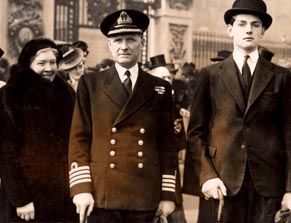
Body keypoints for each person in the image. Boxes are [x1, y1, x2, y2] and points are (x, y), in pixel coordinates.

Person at [182, 0, 291, 223]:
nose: (248, 29)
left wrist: (290, 189)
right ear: (230, 30)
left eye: (255, 24)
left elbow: (290, 136)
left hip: (268, 187)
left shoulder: (282, 77)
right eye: (241, 24)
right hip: (220, 183)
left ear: (263, 31)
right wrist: (207, 176)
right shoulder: (210, 75)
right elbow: (195, 133)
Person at [68, 9, 178, 223]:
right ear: (110, 45)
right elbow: (78, 139)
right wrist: (81, 188)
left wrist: (167, 195)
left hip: (144, 193)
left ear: (142, 43)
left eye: (131, 39)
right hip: (102, 193)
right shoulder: (91, 84)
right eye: (117, 40)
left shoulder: (159, 87)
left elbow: (167, 145)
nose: (124, 46)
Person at [0, 37, 78, 222]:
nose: (49, 68)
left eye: (53, 62)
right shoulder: (11, 94)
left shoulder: (66, 93)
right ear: (28, 64)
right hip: (26, 198)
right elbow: (5, 151)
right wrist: (21, 199)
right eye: (41, 63)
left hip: (62, 194)